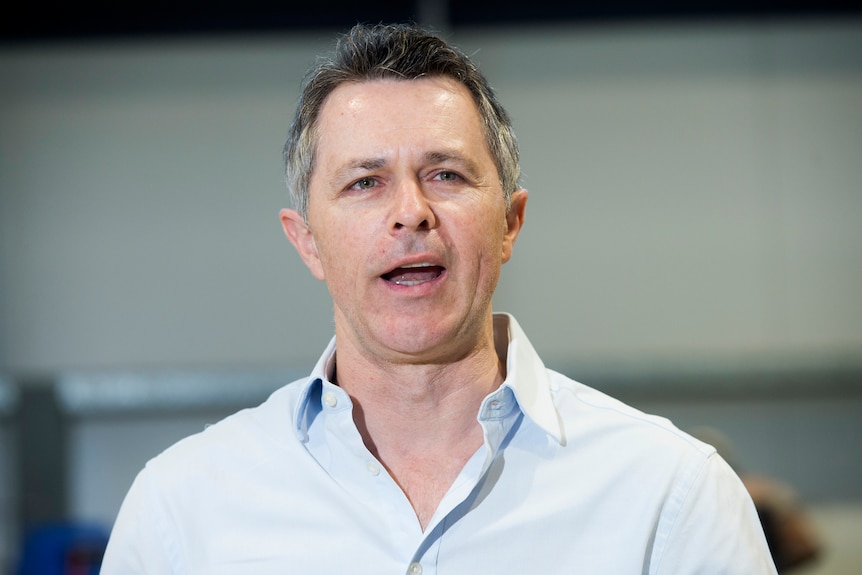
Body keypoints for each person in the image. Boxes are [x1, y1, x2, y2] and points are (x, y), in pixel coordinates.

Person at [101, 23, 778, 574]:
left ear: (509, 222)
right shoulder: (180, 510)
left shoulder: (672, 497)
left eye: (445, 174)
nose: (411, 213)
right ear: (307, 241)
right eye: (365, 182)